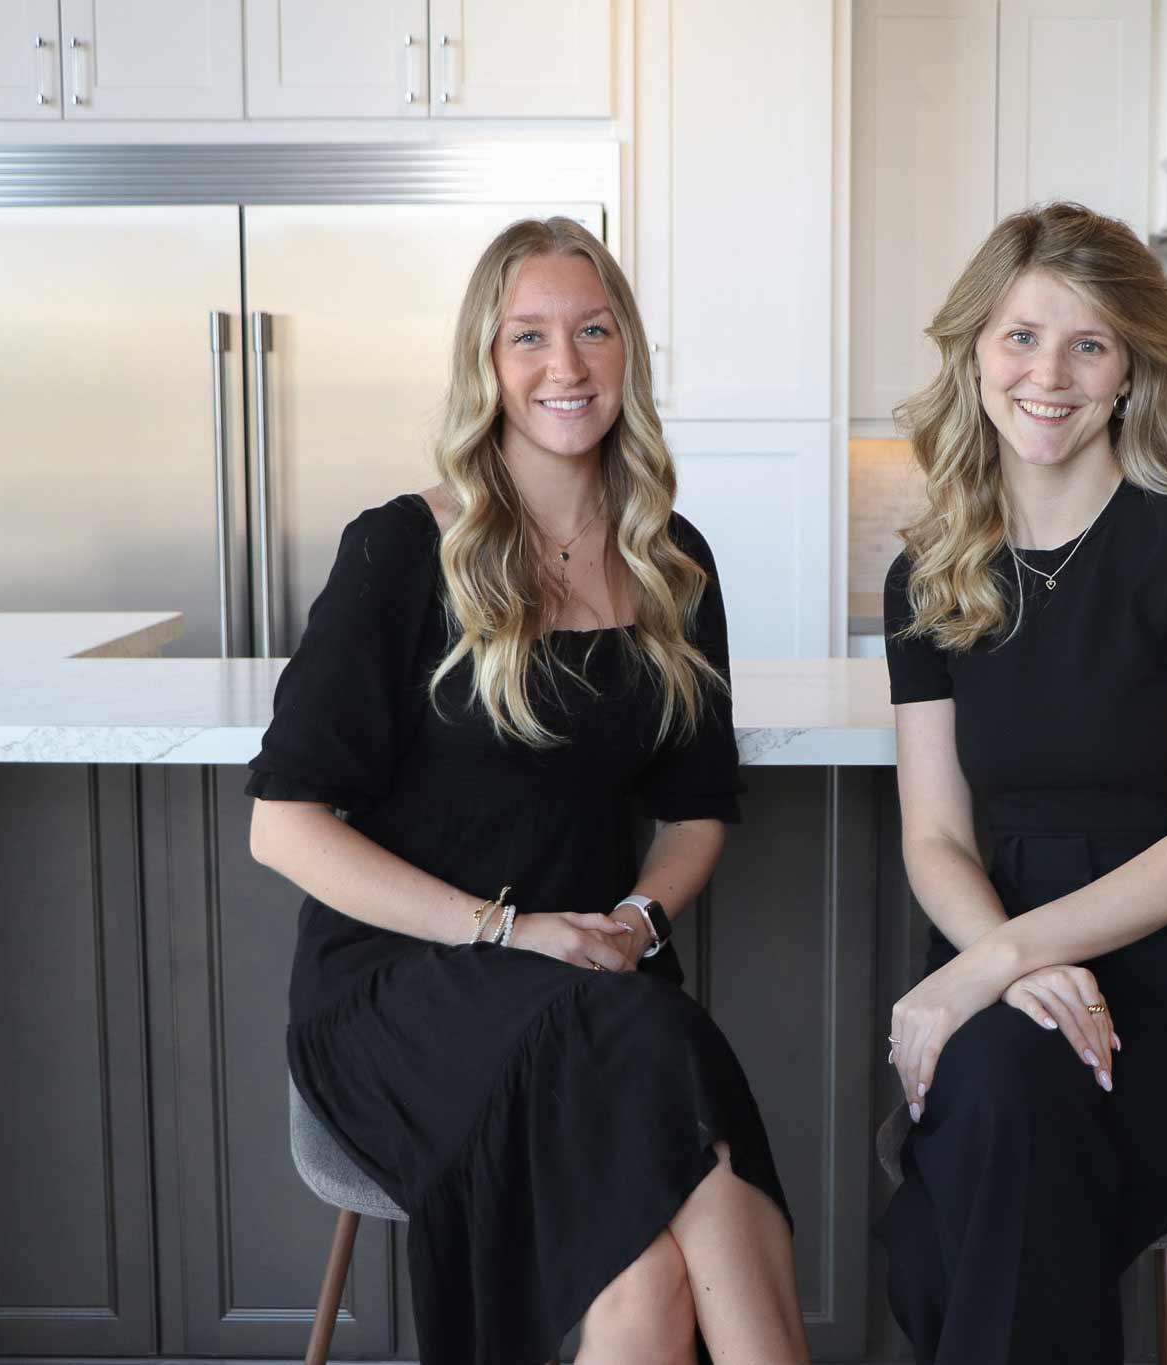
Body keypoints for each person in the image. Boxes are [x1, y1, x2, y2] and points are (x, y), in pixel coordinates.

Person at [246, 216, 809, 1365]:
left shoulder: (670, 559)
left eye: (593, 331)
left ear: (626, 355)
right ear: (486, 366)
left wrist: (640, 918)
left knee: (647, 1265)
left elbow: (698, 809)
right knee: (657, 1048)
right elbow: (283, 829)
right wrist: (506, 930)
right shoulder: (402, 552)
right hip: (408, 990)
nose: (568, 366)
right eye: (530, 337)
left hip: (595, 983)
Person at [878, 202, 1167, 1363]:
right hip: (1004, 961)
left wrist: (996, 966)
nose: (1049, 375)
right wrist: (999, 965)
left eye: (1087, 344)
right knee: (999, 1127)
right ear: (974, 354)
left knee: (953, 1214)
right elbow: (933, 836)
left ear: (1129, 369)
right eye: (1020, 337)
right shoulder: (926, 573)